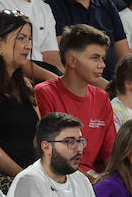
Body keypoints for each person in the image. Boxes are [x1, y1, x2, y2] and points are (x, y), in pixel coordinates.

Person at [36, 24, 115, 179]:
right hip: (57, 177)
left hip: (93, 180)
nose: (102, 65)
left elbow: (111, 154)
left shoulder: (102, 97)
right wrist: (91, 183)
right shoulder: (44, 92)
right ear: (72, 61)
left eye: (102, 58)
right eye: (95, 58)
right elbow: (52, 155)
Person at [0, 11, 41, 179]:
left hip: (30, 174)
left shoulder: (25, 85)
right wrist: (23, 177)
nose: (28, 46)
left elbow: (37, 140)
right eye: (21, 38)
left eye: (29, 39)